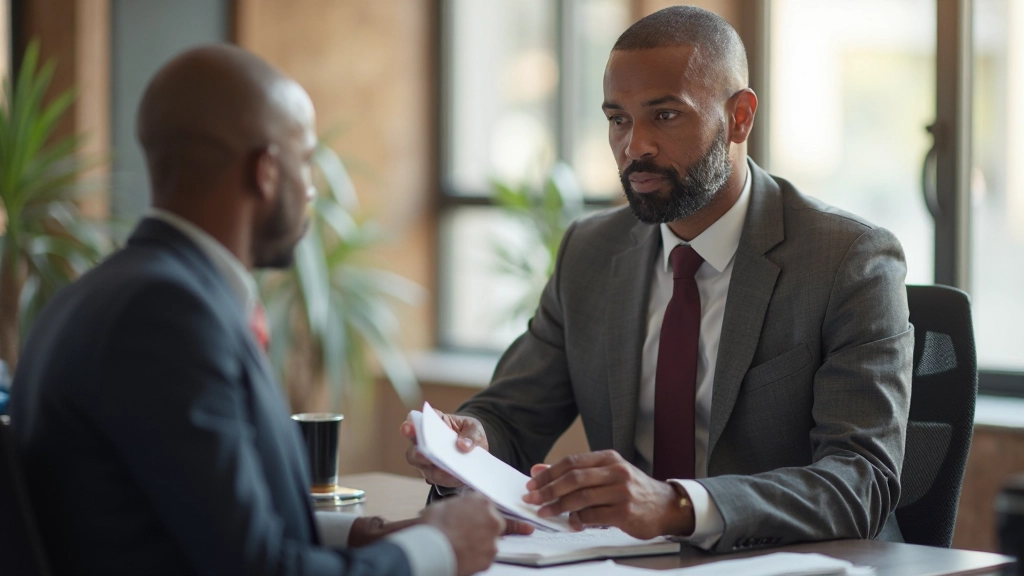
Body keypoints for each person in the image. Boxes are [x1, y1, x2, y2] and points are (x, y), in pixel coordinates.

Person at [403, 5, 912, 553]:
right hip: (632, 562)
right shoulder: (590, 252)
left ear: (739, 117)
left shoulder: (848, 260)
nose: (635, 146)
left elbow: (861, 481)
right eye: (618, 119)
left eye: (665, 115)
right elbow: (511, 415)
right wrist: (469, 447)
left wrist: (676, 505)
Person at [10, 44, 504, 576]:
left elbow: (206, 523)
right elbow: (257, 569)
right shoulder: (168, 318)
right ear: (265, 171)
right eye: (305, 161)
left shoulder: (98, 295)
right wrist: (438, 548)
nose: (311, 189)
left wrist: (366, 532)